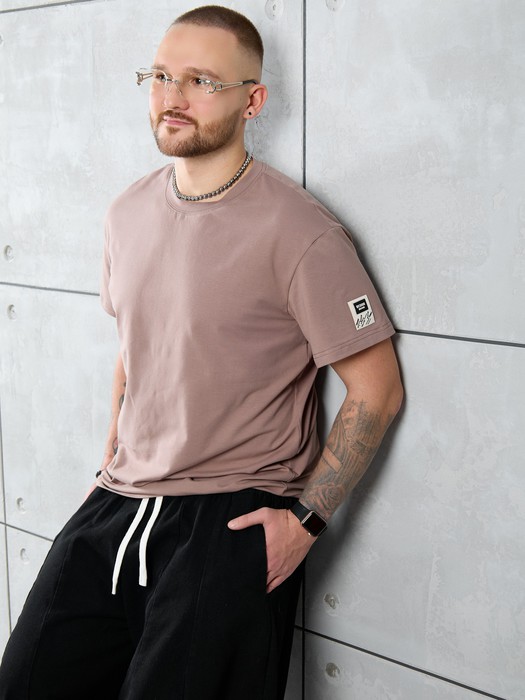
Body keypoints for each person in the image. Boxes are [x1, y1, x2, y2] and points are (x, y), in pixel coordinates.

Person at [0, 5, 403, 699]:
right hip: (116, 504)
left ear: (253, 101)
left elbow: (377, 388)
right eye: (160, 76)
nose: (173, 97)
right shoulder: (125, 213)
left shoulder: (300, 231)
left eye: (201, 81)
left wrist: (305, 524)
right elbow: (135, 351)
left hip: (228, 521)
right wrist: (109, 462)